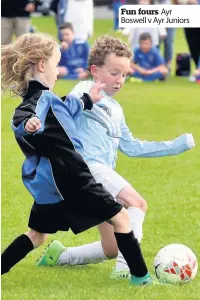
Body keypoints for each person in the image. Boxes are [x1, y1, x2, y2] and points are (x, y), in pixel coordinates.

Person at [35, 35, 195, 279]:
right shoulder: (84, 90)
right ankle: (127, 270)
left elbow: (131, 147)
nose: (120, 81)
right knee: (137, 203)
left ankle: (59, 256)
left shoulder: (116, 110)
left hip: (98, 177)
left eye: (124, 75)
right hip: (87, 168)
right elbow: (67, 108)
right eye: (114, 73)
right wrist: (87, 98)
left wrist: (176, 145)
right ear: (95, 71)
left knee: (111, 247)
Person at [1, 32, 153, 287]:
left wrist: (87, 99)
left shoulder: (45, 99)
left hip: (51, 186)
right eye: (56, 64)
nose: (59, 71)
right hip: (74, 176)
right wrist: (28, 125)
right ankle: (142, 278)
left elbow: (65, 107)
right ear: (41, 65)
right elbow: (22, 118)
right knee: (122, 218)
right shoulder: (37, 102)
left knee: (37, 236)